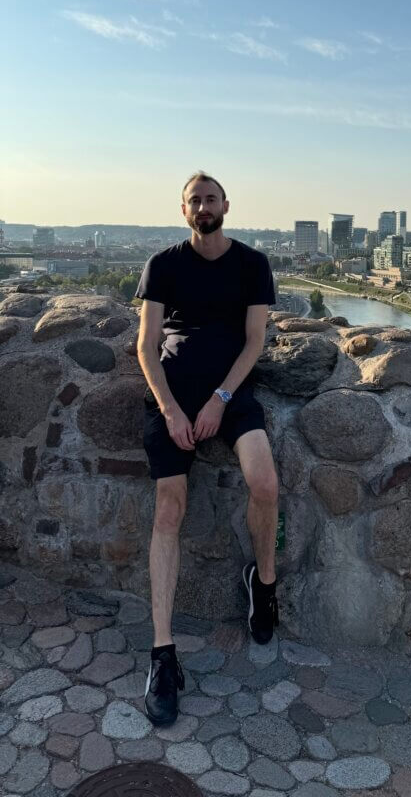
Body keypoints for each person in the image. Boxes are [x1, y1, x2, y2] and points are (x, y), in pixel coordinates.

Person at [136, 171, 278, 726]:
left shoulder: (251, 264)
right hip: (172, 394)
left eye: (210, 198)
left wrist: (221, 398)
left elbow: (255, 342)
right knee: (169, 507)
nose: (203, 206)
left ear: (226, 206)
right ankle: (163, 656)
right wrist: (171, 409)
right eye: (194, 200)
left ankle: (262, 584)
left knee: (265, 482)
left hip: (231, 395)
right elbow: (146, 347)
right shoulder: (163, 264)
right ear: (184, 209)